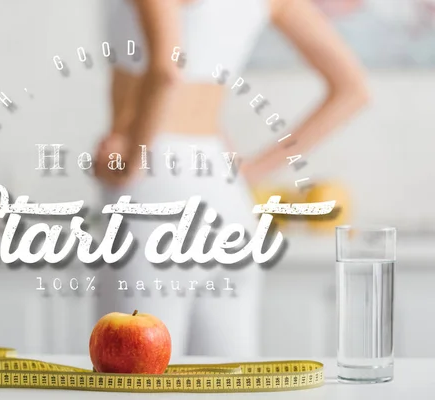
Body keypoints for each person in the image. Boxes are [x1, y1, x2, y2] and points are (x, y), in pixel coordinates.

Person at [93, 0, 370, 358]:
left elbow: (166, 70)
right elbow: (354, 90)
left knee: (134, 374)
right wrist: (249, 173)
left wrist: (131, 158)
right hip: (226, 193)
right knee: (231, 378)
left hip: (155, 190)